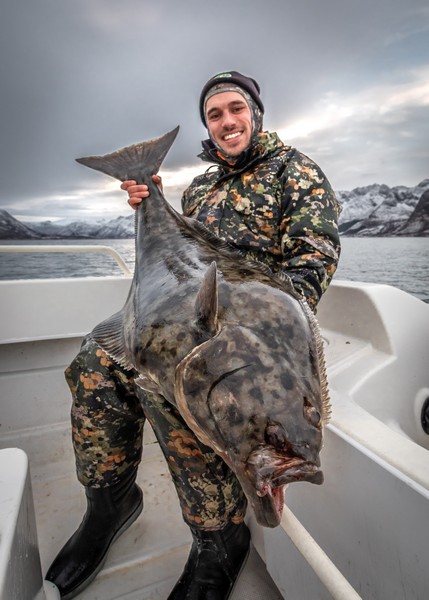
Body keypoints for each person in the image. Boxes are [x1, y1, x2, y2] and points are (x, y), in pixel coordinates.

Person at [46, 71, 341, 600]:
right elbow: (182, 255)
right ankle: (109, 503)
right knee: (94, 364)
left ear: (255, 113)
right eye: (215, 114)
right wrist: (151, 202)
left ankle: (218, 535)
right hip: (187, 322)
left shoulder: (295, 172)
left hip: (258, 340)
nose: (227, 121)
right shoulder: (202, 186)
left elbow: (313, 260)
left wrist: (263, 327)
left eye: (236, 109)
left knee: (168, 389)